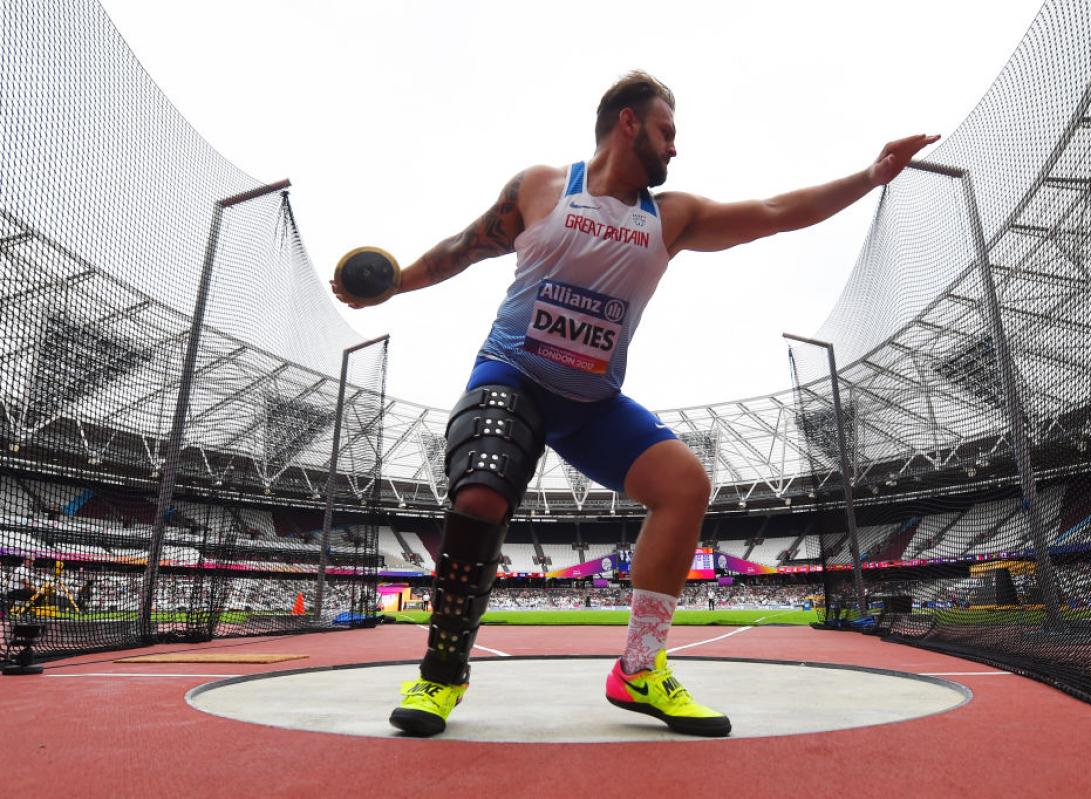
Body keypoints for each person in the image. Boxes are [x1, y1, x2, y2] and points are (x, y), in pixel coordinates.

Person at [332, 71, 937, 737]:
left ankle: (640, 669)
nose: (674, 148)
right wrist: (394, 284)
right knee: (480, 496)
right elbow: (463, 248)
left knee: (686, 483)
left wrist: (870, 175)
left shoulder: (672, 217)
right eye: (666, 131)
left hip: (591, 402)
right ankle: (440, 677)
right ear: (628, 123)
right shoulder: (540, 187)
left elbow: (774, 213)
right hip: (513, 376)